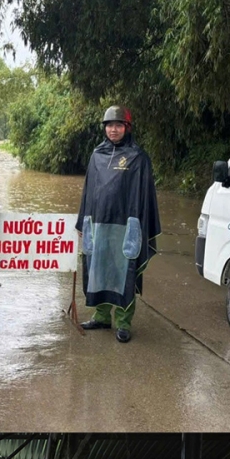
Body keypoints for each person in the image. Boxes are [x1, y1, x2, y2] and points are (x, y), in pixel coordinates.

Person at [74, 106, 160, 342]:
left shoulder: (138, 158)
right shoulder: (96, 155)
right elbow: (88, 191)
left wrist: (142, 227)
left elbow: (145, 197)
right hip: (99, 223)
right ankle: (101, 316)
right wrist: (82, 221)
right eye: (109, 125)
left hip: (126, 225)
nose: (113, 129)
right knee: (98, 269)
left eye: (118, 125)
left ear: (127, 128)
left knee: (125, 273)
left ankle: (123, 322)